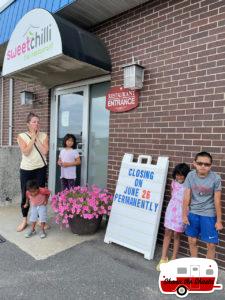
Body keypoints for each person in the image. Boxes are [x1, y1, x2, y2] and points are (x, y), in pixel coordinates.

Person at [183, 151, 223, 259]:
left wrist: (219, 221)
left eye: (207, 164)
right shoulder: (190, 176)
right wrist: (184, 215)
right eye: (200, 163)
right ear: (194, 163)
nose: (203, 166)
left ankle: (207, 270)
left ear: (211, 165)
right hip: (193, 212)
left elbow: (217, 200)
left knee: (211, 244)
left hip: (209, 214)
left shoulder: (216, 178)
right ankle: (194, 264)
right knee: (192, 240)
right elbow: (186, 196)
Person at [17, 112, 49, 232]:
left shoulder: (44, 135)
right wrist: (33, 137)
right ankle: (25, 219)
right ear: (28, 124)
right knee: (26, 193)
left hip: (40, 168)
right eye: (34, 122)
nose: (37, 124)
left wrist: (37, 138)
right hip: (26, 169)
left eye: (37, 121)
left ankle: (41, 219)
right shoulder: (21, 136)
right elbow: (26, 152)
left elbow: (45, 151)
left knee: (40, 193)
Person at [156, 163, 190, 271]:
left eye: (182, 175)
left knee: (177, 234)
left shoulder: (188, 186)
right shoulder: (173, 183)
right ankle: (163, 257)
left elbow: (189, 200)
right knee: (167, 232)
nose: (179, 177)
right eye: (177, 174)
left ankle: (174, 258)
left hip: (182, 211)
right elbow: (173, 195)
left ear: (186, 175)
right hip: (172, 209)